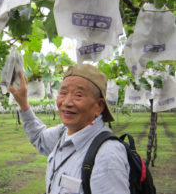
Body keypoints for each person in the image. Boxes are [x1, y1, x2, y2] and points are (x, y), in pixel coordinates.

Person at [9, 64, 130, 194]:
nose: (67, 102)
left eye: (78, 95)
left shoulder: (107, 155)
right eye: (63, 93)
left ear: (99, 106)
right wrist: (23, 103)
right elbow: (40, 138)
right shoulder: (63, 132)